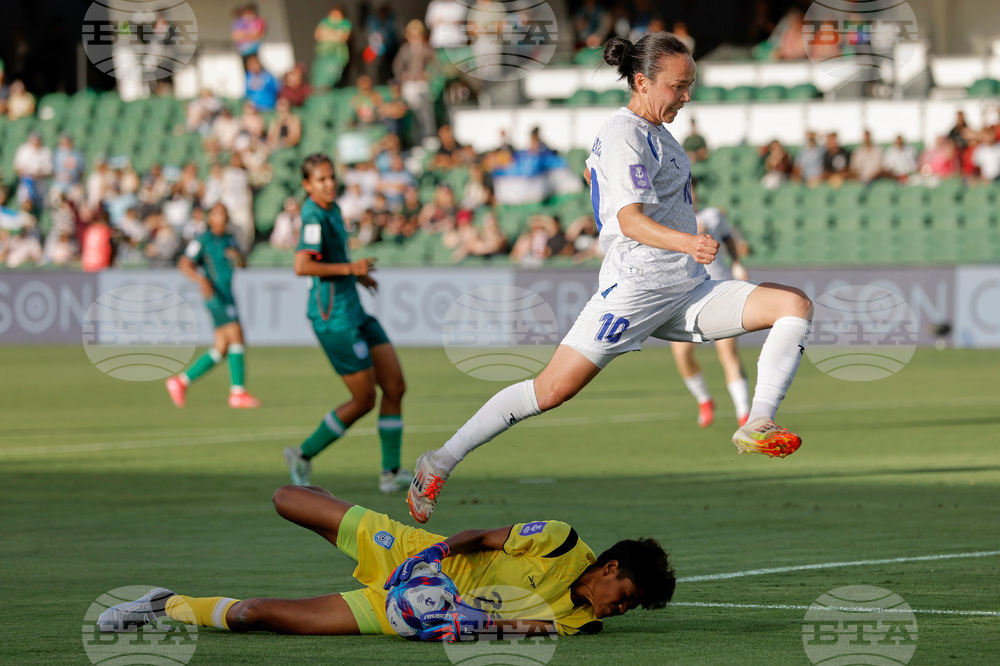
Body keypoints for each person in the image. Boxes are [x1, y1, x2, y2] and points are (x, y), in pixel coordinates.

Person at [407, 33, 813, 523]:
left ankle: (758, 420)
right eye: (678, 86)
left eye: (690, 85)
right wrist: (689, 242)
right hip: (636, 289)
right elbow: (630, 221)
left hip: (687, 290)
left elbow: (600, 178)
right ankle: (438, 461)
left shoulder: (657, 135)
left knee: (793, 305)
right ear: (642, 82)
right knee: (550, 391)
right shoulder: (624, 133)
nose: (686, 96)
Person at [97, 484, 676, 639]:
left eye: (630, 608)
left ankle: (163, 604)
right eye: (625, 596)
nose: (620, 609)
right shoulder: (559, 541)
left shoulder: (581, 622)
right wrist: (434, 551)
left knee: (253, 615)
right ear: (609, 568)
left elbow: (517, 628)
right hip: (413, 556)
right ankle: (333, 507)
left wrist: (457, 625)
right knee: (287, 499)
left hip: (404, 611)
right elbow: (479, 536)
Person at [285, 154, 412, 495]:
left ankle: (391, 472)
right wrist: (350, 270)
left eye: (331, 177)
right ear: (307, 185)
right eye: (321, 180)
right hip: (333, 319)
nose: (329, 184)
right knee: (364, 399)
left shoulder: (334, 209)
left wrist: (358, 278)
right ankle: (302, 454)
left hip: (353, 310)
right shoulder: (312, 215)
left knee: (395, 386)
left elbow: (335, 259)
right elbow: (302, 266)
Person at [166, 203, 261, 409]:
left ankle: (180, 382)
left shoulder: (230, 239)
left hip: (227, 294)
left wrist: (238, 258)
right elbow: (184, 264)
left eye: (225, 214)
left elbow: (242, 264)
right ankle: (238, 392)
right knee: (237, 337)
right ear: (210, 218)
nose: (222, 218)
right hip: (215, 295)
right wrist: (202, 280)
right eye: (218, 214)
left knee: (221, 348)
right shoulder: (203, 240)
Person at [671, 200, 751, 429]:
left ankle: (745, 415)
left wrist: (737, 263)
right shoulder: (669, 218)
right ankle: (704, 399)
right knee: (682, 354)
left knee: (728, 353)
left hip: (719, 291)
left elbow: (728, 238)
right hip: (688, 294)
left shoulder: (713, 215)